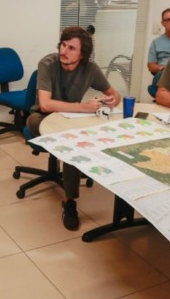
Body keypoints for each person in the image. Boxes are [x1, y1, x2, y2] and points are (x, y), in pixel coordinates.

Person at [27, 26, 121, 230]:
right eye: (63, 45)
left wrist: (110, 100)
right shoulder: (48, 64)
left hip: (70, 119)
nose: (64, 51)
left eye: (71, 48)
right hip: (40, 117)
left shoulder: (90, 69)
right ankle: (71, 202)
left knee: (73, 142)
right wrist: (83, 108)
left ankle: (69, 200)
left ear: (82, 54)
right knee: (68, 140)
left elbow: (115, 93)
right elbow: (45, 104)